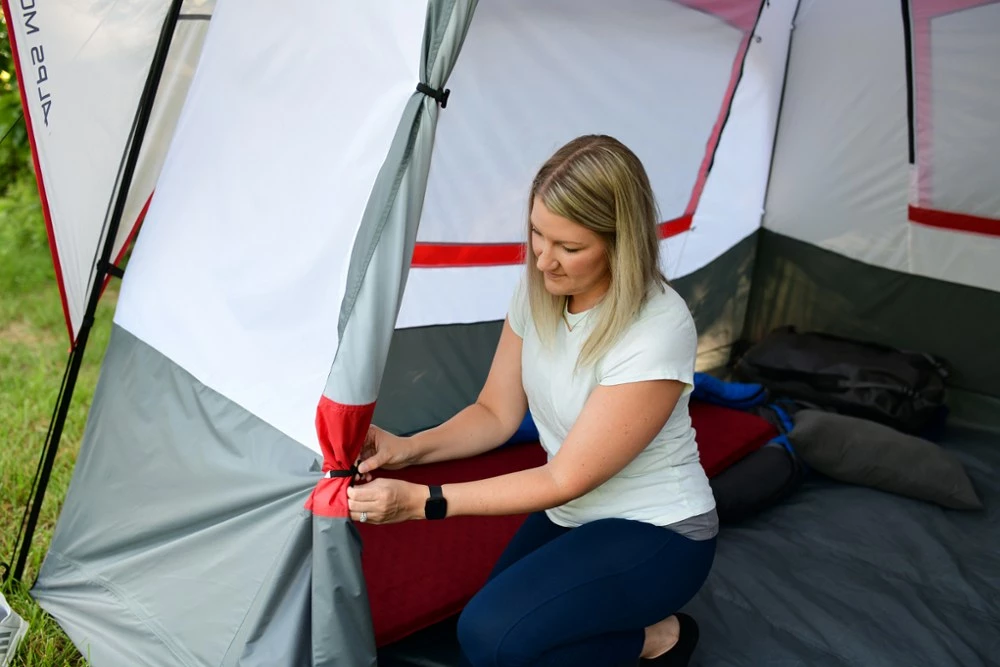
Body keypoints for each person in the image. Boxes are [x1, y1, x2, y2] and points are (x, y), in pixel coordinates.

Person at [347, 134, 717, 667]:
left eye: (569, 248)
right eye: (537, 235)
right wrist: (406, 449)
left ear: (622, 244)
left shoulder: (656, 328)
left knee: (492, 636)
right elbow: (495, 414)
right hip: (572, 514)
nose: (544, 262)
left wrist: (421, 502)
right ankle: (641, 638)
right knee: (499, 633)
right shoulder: (538, 289)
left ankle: (661, 639)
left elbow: (562, 478)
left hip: (659, 530)